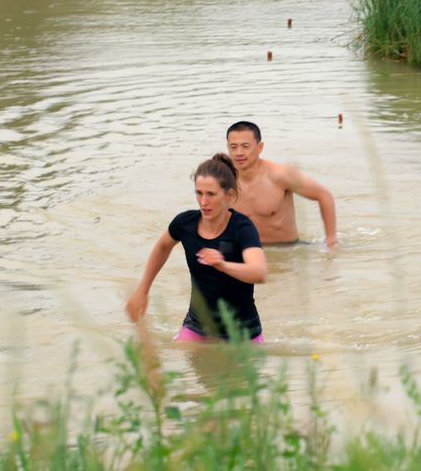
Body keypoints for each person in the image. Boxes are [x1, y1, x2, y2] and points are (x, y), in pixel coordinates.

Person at [126, 154, 268, 342]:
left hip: (243, 332)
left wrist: (223, 265)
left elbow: (259, 272)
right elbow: (162, 247)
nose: (203, 202)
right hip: (197, 327)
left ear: (229, 195)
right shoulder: (185, 224)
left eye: (211, 194)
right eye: (199, 193)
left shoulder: (242, 228)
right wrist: (143, 290)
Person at [225, 121, 337, 248]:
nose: (239, 153)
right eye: (233, 147)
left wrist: (331, 240)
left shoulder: (280, 176)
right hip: (245, 252)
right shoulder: (223, 181)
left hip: (287, 251)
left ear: (260, 147)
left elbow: (324, 195)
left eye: (245, 146)